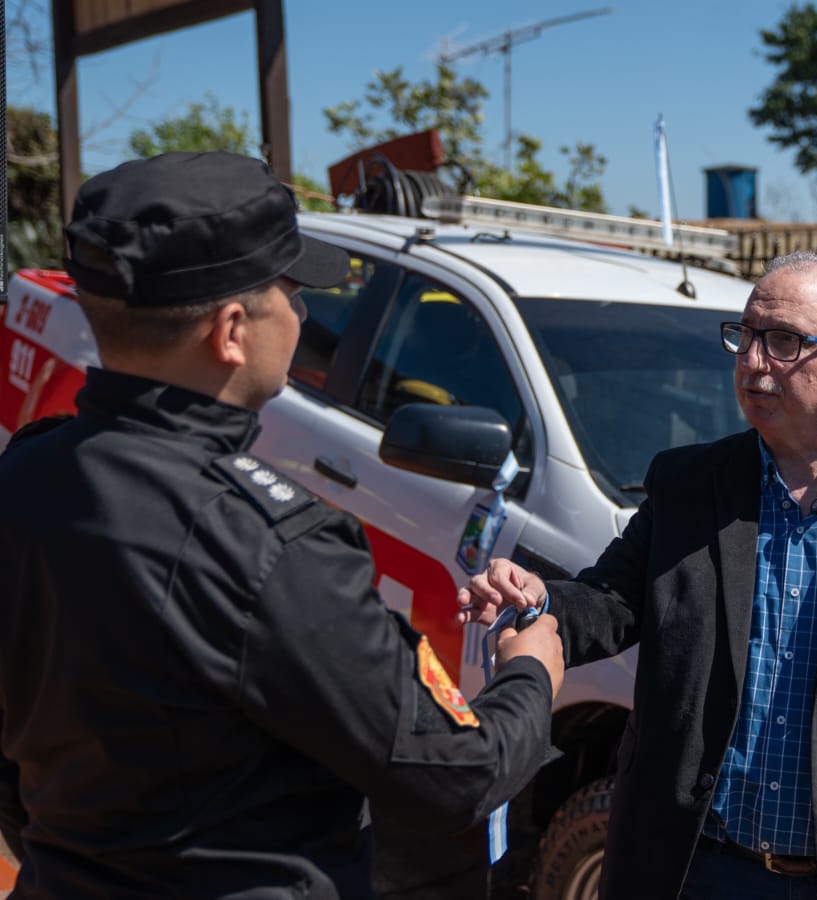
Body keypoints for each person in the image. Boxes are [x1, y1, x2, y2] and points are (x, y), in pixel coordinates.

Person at [0, 151, 564, 899]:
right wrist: (532, 672)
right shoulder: (268, 541)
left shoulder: (27, 474)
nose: (303, 317)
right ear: (232, 330)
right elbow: (448, 775)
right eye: (293, 295)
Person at [459, 251, 817, 899]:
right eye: (746, 336)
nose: (753, 362)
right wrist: (541, 600)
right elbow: (610, 601)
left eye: (784, 342)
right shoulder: (690, 484)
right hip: (701, 865)